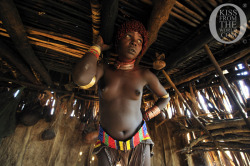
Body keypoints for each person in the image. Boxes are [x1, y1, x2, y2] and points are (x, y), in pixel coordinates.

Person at [73, 20, 170, 166]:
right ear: (118, 42)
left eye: (139, 40)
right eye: (128, 37)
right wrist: (97, 47)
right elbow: (80, 78)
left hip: (139, 140)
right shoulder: (104, 70)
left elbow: (165, 98)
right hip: (107, 141)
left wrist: (148, 114)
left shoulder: (144, 74)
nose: (134, 43)